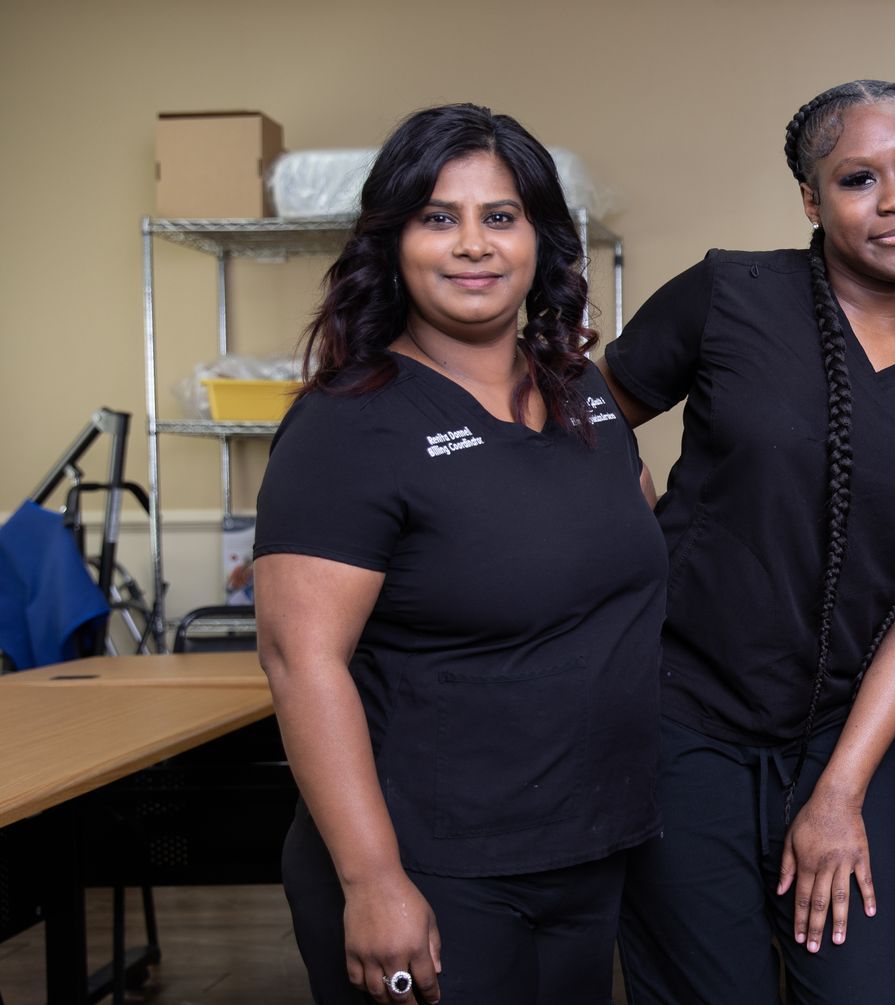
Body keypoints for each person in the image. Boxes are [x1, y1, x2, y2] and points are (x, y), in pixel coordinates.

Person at [254, 103, 667, 1005]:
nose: (473, 244)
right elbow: (300, 658)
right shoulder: (349, 422)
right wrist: (372, 881)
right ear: (394, 242)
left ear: (539, 240)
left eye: (501, 216)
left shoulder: (579, 395)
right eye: (439, 217)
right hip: (433, 867)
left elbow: (624, 554)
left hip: (584, 850)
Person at [600, 80, 895, 1004]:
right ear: (811, 201)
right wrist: (636, 546)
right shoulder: (730, 293)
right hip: (679, 723)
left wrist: (842, 788)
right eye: (858, 178)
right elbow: (588, 412)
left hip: (844, 734)